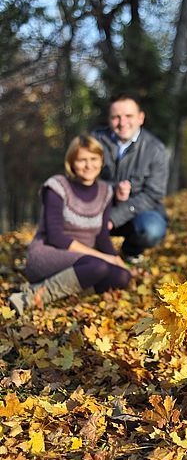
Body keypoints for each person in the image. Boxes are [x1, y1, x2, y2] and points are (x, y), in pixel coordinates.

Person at [9, 135, 131, 316]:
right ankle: (30, 296)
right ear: (72, 162)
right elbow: (56, 236)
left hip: (85, 262)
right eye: (82, 160)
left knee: (122, 276)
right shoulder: (57, 186)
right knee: (99, 266)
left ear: (101, 160)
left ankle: (58, 292)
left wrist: (117, 260)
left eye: (93, 159)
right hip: (48, 254)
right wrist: (104, 258)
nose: (89, 166)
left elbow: (101, 237)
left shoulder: (106, 191)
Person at [92, 93, 169, 264]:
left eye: (129, 116)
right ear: (109, 119)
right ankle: (88, 252)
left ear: (141, 118)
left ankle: (131, 250)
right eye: (116, 117)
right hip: (100, 208)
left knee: (152, 229)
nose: (122, 122)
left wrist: (113, 218)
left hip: (139, 213)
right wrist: (112, 189)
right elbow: (80, 179)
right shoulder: (95, 141)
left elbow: (153, 195)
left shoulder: (156, 149)